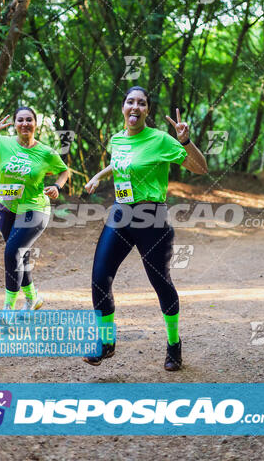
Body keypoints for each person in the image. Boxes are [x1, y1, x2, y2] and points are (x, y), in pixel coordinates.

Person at [83, 86, 208, 370]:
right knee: (100, 277)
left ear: (147, 111)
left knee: (160, 283)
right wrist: (99, 176)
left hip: (151, 216)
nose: (135, 107)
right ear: (123, 107)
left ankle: (174, 344)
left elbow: (201, 168)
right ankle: (106, 341)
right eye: (130, 102)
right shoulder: (117, 139)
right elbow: (121, 163)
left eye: (141, 103)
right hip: (120, 212)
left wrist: (186, 141)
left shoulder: (161, 140)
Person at [0, 107, 68, 311]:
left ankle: (8, 309)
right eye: (20, 120)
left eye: (29, 120)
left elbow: (64, 171)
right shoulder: (1, 143)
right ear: (14, 123)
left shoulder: (46, 152)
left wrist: (57, 186)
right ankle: (33, 299)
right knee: (20, 255)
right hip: (8, 208)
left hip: (35, 208)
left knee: (12, 252)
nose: (24, 124)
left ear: (35, 124)